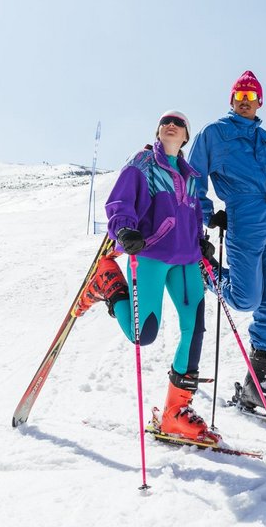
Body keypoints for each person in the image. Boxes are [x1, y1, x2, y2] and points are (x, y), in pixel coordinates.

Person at [75, 110, 220, 444]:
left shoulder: (191, 175)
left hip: (186, 259)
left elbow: (192, 214)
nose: (171, 125)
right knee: (144, 334)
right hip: (151, 253)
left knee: (194, 329)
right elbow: (120, 200)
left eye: (178, 123)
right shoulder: (143, 162)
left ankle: (175, 413)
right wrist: (124, 229)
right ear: (158, 132)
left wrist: (200, 241)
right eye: (165, 121)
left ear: (185, 136)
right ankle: (109, 283)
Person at [188, 70, 266, 419]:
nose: (245, 102)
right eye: (240, 96)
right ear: (232, 99)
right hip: (245, 219)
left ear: (260, 102)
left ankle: (257, 382)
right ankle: (208, 273)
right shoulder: (214, 134)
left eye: (251, 97)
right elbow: (193, 177)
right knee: (245, 297)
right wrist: (208, 215)